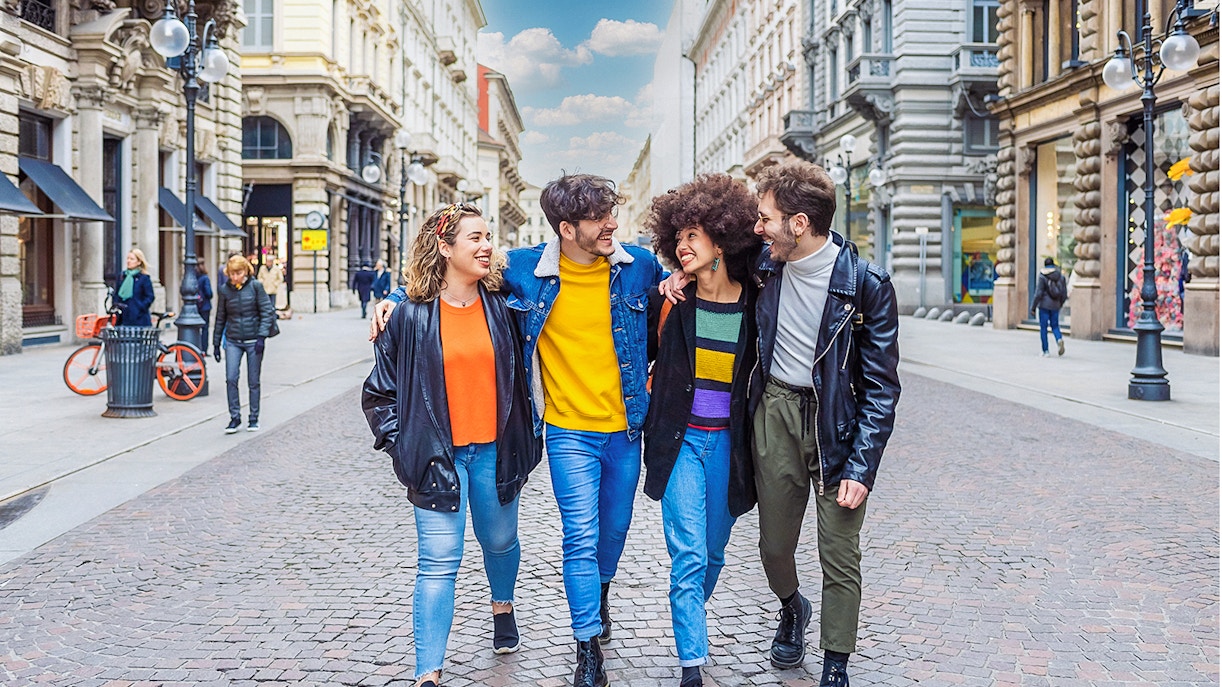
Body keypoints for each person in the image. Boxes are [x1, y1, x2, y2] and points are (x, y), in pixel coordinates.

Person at [374, 174, 666, 687]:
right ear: (567, 228)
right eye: (600, 218)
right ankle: (582, 648)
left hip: (617, 430)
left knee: (585, 538)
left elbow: (669, 313)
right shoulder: (528, 272)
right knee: (572, 537)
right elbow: (434, 282)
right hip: (560, 431)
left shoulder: (638, 267)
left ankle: (560, 599)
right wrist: (394, 298)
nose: (613, 225)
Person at [362, 203, 541, 687]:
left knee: (499, 540)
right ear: (445, 247)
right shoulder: (409, 317)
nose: (487, 246)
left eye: (489, 237)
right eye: (475, 238)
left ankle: (502, 605)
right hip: (438, 459)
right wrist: (405, 448)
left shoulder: (507, 305)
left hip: (497, 452)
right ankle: (428, 673)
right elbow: (379, 394)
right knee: (438, 559)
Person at [642, 174, 762, 687]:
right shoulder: (668, 302)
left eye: (693, 236)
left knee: (713, 551)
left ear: (722, 237)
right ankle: (693, 662)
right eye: (678, 238)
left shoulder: (758, 304)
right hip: (681, 441)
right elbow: (634, 359)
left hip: (730, 448)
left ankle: (692, 609)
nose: (682, 247)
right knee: (688, 552)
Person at [213, 254, 275, 434]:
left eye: (238, 273)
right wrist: (216, 343)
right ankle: (235, 417)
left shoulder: (256, 287)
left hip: (253, 340)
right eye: (231, 274)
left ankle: (253, 417)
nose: (234, 278)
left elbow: (266, 312)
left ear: (246, 271)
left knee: (253, 381)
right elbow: (220, 317)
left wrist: (262, 337)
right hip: (233, 340)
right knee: (231, 378)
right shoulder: (225, 290)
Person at [1029, 256, 1067, 357]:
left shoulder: (1042, 276)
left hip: (1044, 306)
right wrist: (1060, 304)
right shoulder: (1060, 276)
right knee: (1055, 326)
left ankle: (1045, 351)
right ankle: (1059, 339)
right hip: (1055, 306)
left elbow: (1038, 293)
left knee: (1044, 328)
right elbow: (1064, 293)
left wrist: (1033, 307)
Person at [114, 249, 155, 327]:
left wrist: (140, 307)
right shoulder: (122, 276)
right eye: (128, 258)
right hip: (122, 318)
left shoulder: (144, 278)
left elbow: (150, 296)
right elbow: (117, 294)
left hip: (139, 319)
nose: (128, 261)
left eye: (132, 259)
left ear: (139, 262)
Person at [197, 263, 214, 356]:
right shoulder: (205, 278)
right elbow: (209, 293)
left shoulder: (194, 277)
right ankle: (204, 349)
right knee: (205, 328)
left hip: (196, 306)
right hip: (205, 306)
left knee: (196, 328)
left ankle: (197, 348)